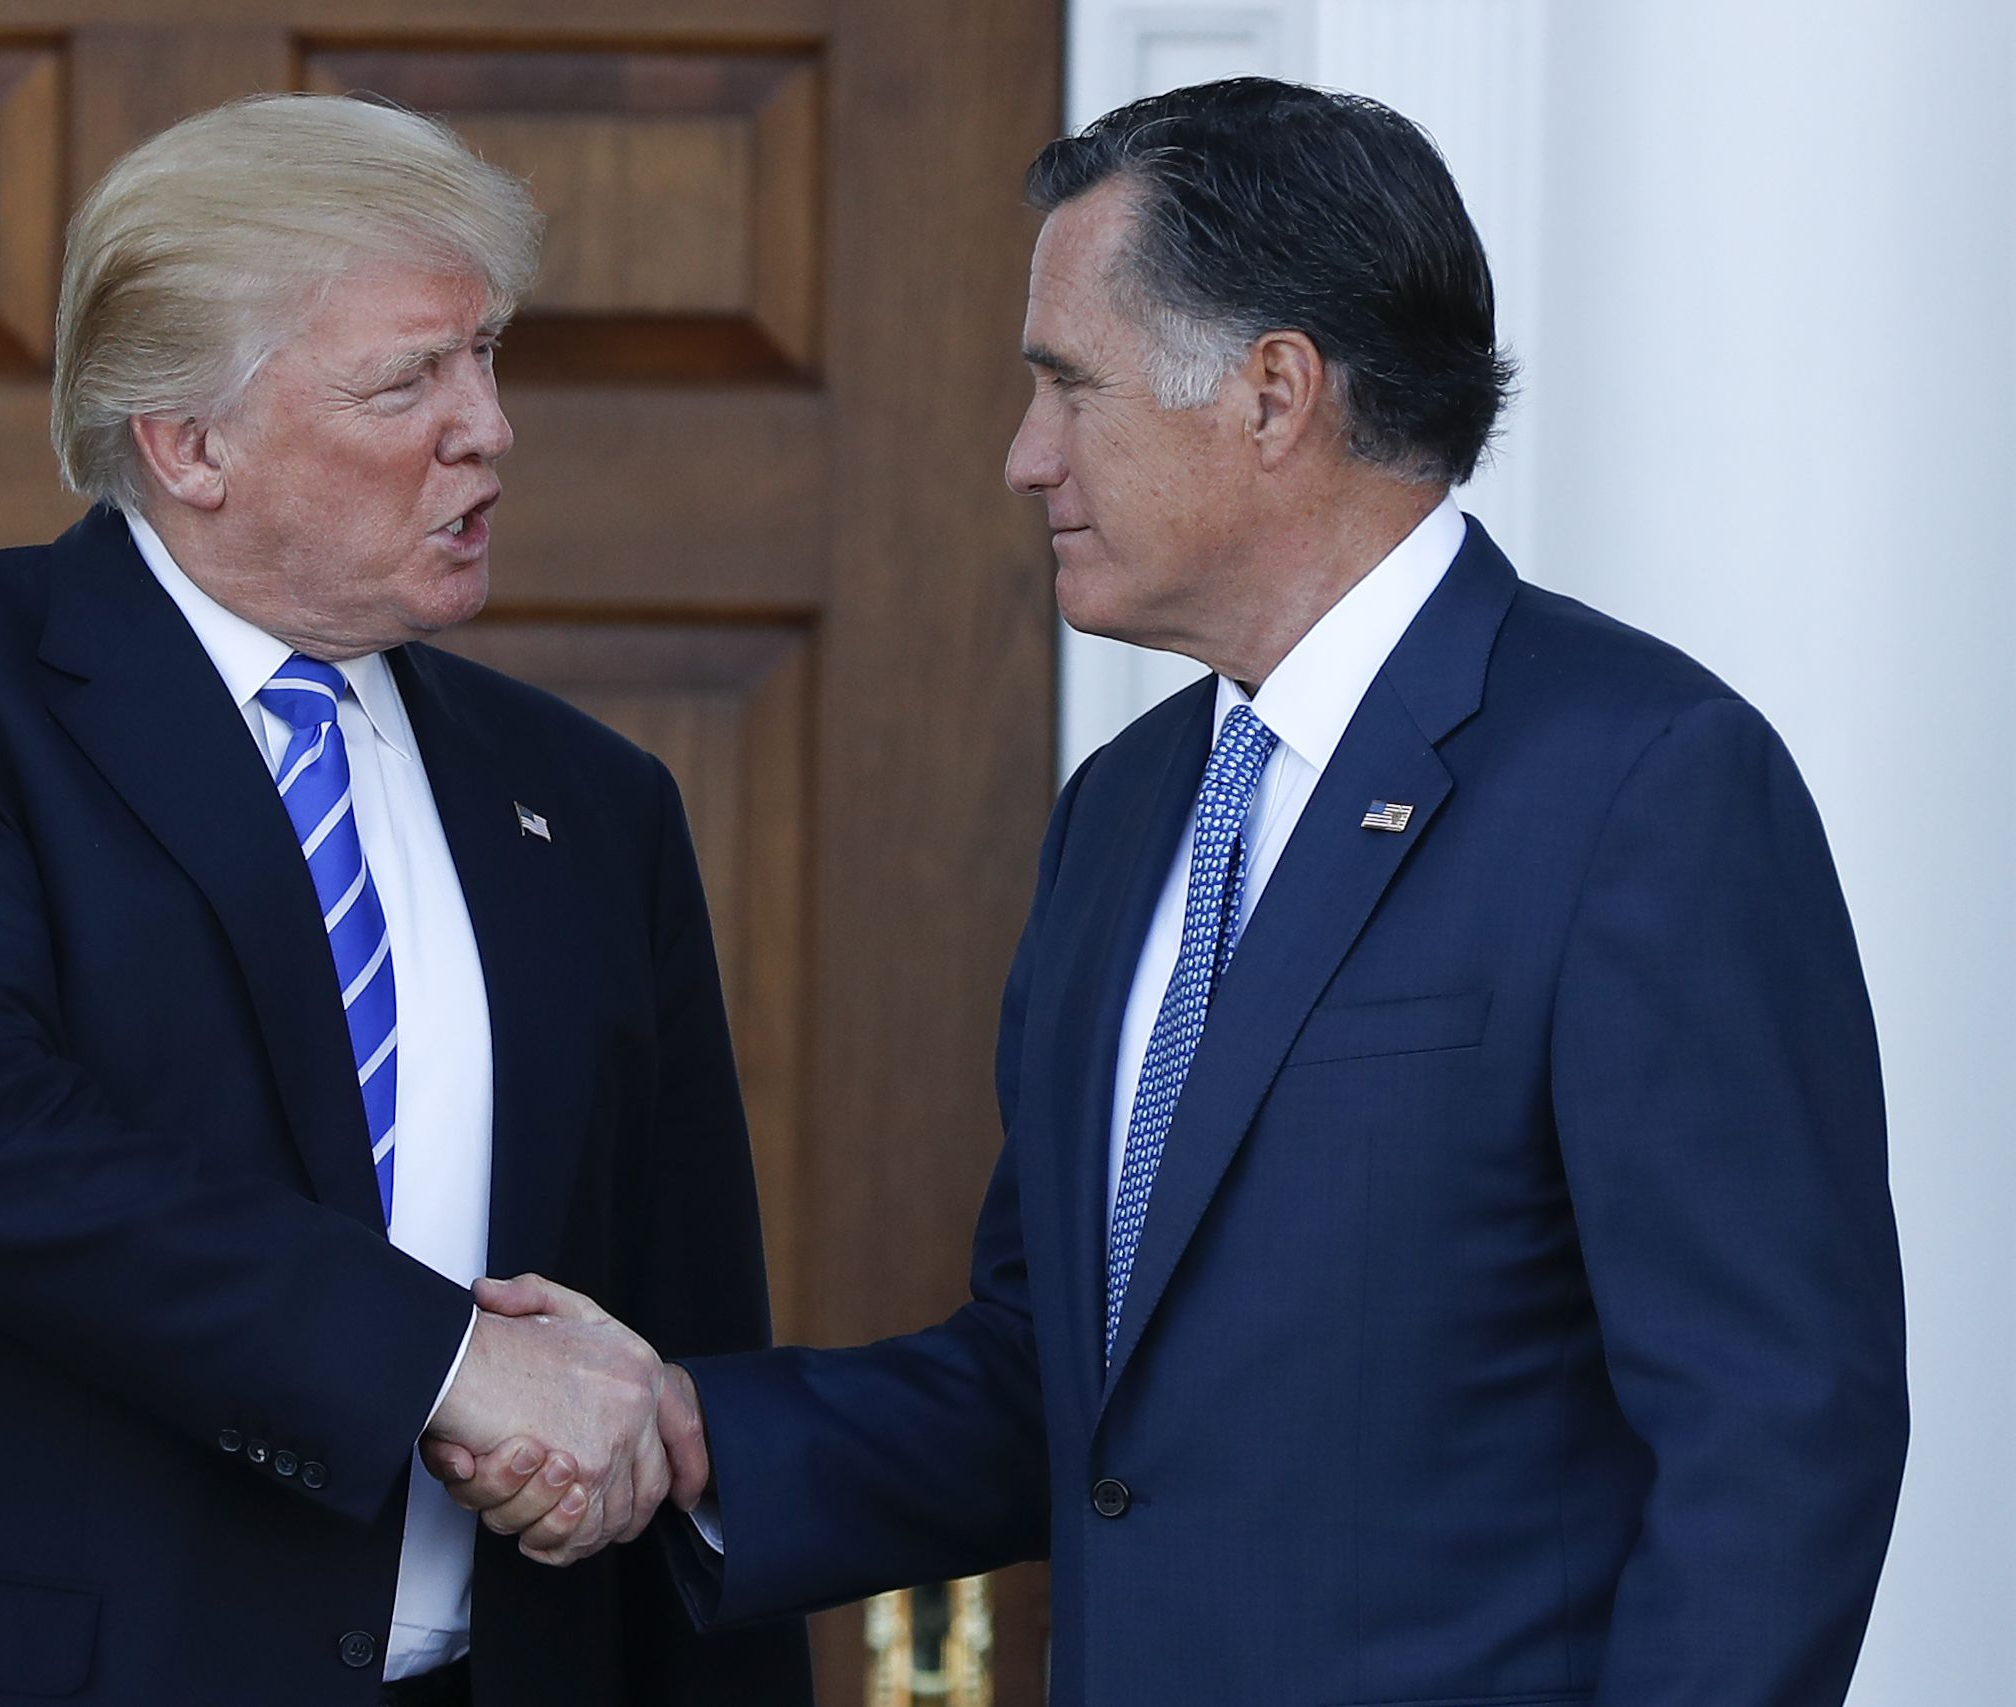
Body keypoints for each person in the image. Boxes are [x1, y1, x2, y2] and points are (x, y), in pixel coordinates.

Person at [430, 78, 1910, 1707]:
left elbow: (1776, 1436)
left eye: (1068, 385)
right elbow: (1060, 1379)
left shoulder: (1644, 782)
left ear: (1274, 394)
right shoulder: (1129, 810)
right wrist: (688, 1427)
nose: (1025, 457)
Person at [0, 94, 811, 1707]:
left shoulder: (587, 798)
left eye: (487, 357)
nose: (489, 427)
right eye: (408, 380)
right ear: (189, 442)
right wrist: (448, 1364)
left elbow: (674, 1324)